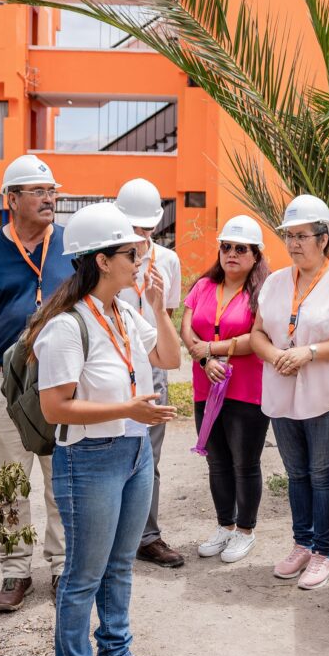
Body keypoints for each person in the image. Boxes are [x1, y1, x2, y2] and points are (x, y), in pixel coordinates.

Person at [27, 201, 181, 656]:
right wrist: (130, 407)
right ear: (100, 260)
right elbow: (55, 406)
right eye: (128, 252)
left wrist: (159, 307)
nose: (138, 258)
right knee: (83, 573)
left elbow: (169, 359)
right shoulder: (67, 328)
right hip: (89, 457)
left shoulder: (126, 311)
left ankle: (115, 651)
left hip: (135, 451)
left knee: (119, 564)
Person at [0, 154, 75, 612]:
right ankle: (15, 569)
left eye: (52, 191)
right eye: (38, 191)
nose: (49, 198)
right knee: (8, 482)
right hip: (1, 382)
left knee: (60, 477)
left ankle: (62, 566)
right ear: (12, 199)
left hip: (59, 384)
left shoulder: (71, 244)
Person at [250, 195, 329, 590]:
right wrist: (274, 355)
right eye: (289, 236)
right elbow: (257, 333)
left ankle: (324, 553)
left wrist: (309, 352)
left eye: (303, 235)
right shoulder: (275, 282)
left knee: (322, 476)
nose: (295, 243)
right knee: (296, 474)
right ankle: (301, 543)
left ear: (323, 237)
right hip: (282, 392)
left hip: (325, 395)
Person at [181, 215, 271, 563]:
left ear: (255, 255)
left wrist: (214, 350)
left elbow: (258, 338)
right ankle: (224, 525)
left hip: (246, 390)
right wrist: (205, 361)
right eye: (226, 247)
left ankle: (246, 531)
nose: (231, 253)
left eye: (240, 248)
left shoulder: (263, 292)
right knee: (217, 461)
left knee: (244, 462)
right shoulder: (203, 286)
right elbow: (187, 330)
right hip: (207, 386)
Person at [113, 178, 186, 568]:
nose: (142, 236)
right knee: (107, 449)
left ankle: (147, 535)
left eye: (147, 228)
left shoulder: (168, 261)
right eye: (135, 228)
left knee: (148, 455)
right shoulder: (107, 257)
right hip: (109, 370)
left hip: (152, 368)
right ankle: (111, 535)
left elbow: (167, 323)